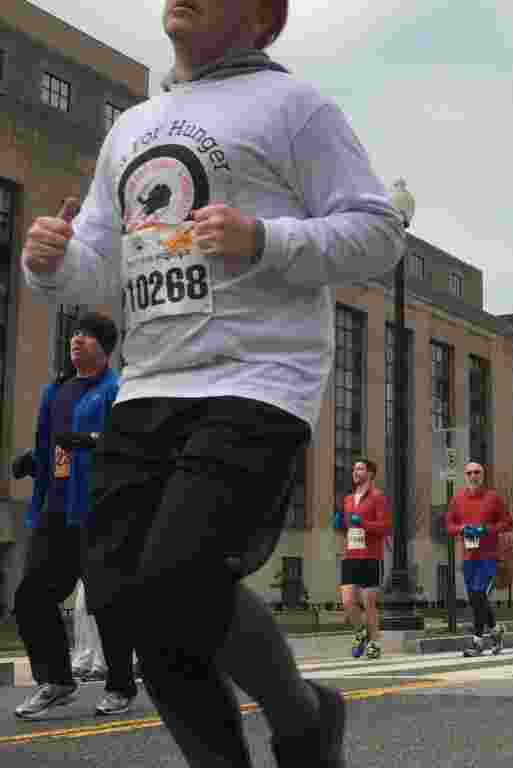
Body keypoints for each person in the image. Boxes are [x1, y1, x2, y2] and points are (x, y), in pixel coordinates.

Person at [20, 0, 405, 761]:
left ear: (263, 20)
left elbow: (379, 231)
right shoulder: (133, 127)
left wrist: (264, 236)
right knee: (127, 597)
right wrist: (53, 262)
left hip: (257, 379)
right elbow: (100, 260)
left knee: (178, 575)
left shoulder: (295, 107)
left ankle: (298, 715)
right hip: (149, 385)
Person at [11, 312, 138, 720]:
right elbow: (52, 442)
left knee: (106, 600)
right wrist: (36, 460)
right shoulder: (57, 390)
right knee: (32, 596)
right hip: (57, 507)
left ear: (105, 347)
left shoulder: (116, 389)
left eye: (87, 335)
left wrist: (91, 441)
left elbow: (129, 444)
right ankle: (57, 681)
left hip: (99, 509)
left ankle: (120, 686)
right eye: (75, 334)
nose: (77, 340)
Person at [446, 462, 512, 657]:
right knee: (477, 600)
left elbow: (508, 523)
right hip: (468, 557)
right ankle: (496, 630)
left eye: (477, 472)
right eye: (469, 473)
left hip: (488, 557)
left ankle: (477, 641)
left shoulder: (493, 498)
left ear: (482, 475)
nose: (473, 475)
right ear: (465, 476)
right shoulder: (457, 499)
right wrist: (462, 529)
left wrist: (486, 529)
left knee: (478, 595)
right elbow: (449, 525)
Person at [333, 458, 391, 660]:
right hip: (351, 553)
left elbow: (384, 527)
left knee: (368, 602)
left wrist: (364, 523)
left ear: (370, 474)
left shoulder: (378, 497)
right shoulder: (348, 499)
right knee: (348, 602)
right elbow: (347, 526)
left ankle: (375, 642)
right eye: (354, 468)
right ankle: (361, 633)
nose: (355, 472)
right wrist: (340, 524)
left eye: (360, 468)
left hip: (370, 555)